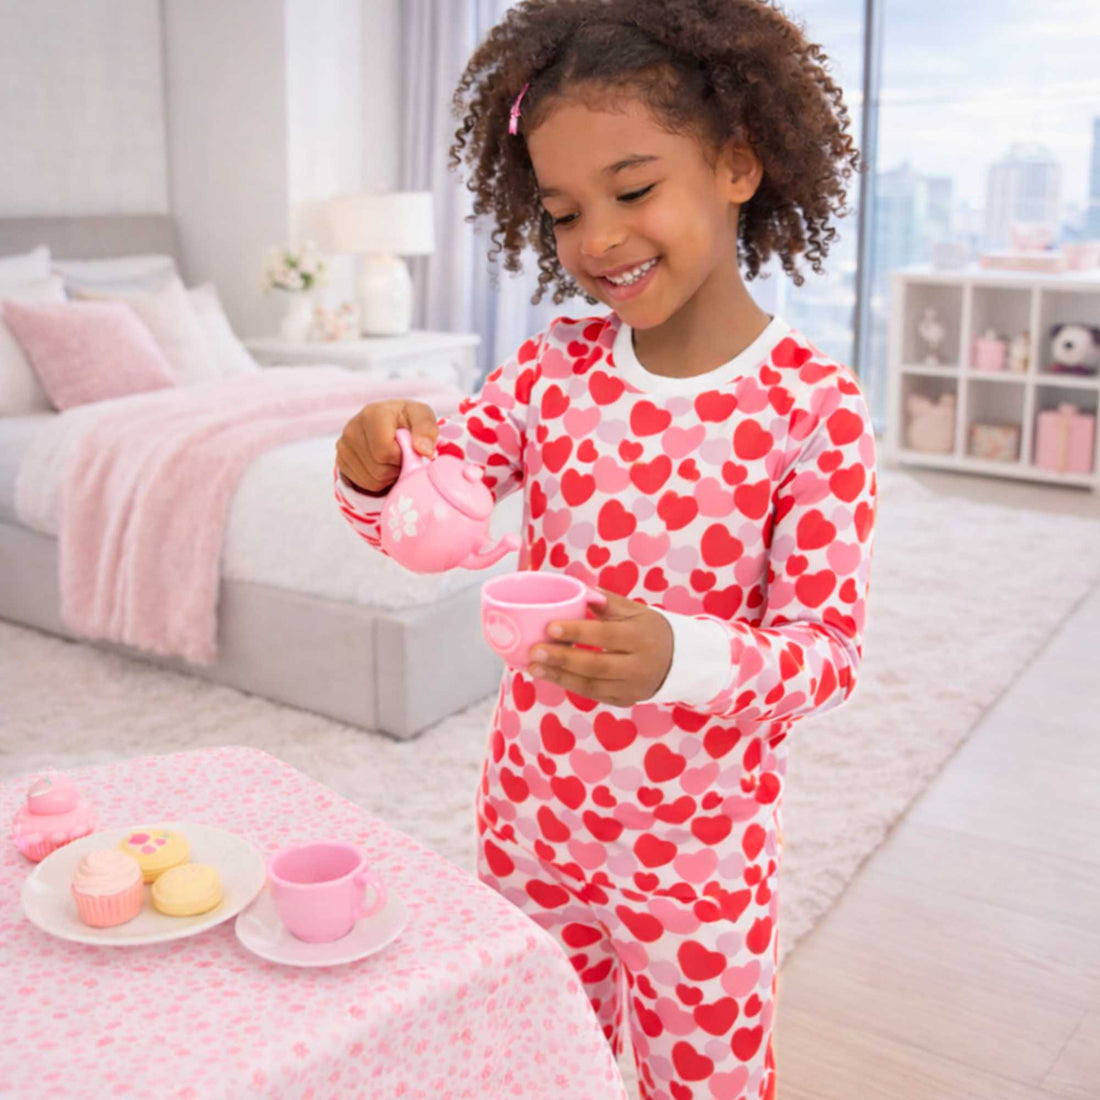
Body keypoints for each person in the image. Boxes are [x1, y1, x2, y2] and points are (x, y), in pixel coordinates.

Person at [334, 3, 875, 1097]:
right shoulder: (550, 370)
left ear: (736, 164)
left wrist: (678, 655)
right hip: (531, 822)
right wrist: (378, 466)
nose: (597, 240)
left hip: (701, 859)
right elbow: (438, 511)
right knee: (539, 1067)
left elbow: (825, 651)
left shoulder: (814, 410)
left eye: (633, 191)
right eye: (564, 212)